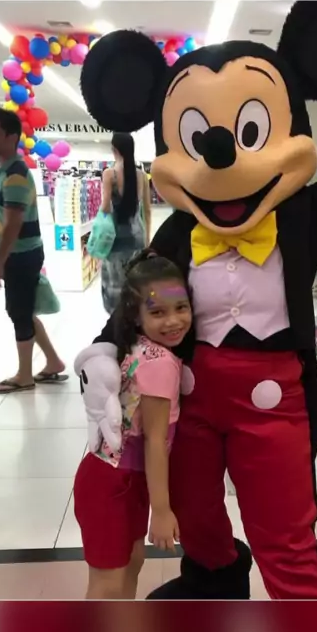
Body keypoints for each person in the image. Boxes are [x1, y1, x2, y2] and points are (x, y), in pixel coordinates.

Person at [77, 3, 317, 600]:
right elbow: (141, 301)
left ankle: (307, 625)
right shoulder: (179, 234)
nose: (222, 155)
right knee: (196, 514)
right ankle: (216, 582)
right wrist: (103, 349)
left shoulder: (305, 215)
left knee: (283, 528)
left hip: (275, 404)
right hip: (191, 400)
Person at [74, 249, 193, 599]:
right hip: (115, 483)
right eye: (157, 312)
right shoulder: (160, 364)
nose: (173, 321)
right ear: (136, 315)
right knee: (109, 583)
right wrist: (162, 511)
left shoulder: (139, 347)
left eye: (181, 307)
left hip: (119, 480)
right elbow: (155, 442)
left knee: (130, 563)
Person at [0, 108, 68, 394]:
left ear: (11, 136)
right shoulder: (5, 170)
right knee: (25, 309)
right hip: (21, 254)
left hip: (19, 255)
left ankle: (24, 375)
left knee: (18, 313)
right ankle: (53, 361)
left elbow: (13, 223)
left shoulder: (16, 174)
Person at [100, 132, 152, 314]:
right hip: (137, 235)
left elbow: (105, 208)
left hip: (115, 238)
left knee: (115, 283)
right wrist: (147, 240)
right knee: (135, 281)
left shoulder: (109, 174)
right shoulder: (142, 176)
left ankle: (117, 320)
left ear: (114, 149)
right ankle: (135, 317)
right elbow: (147, 211)